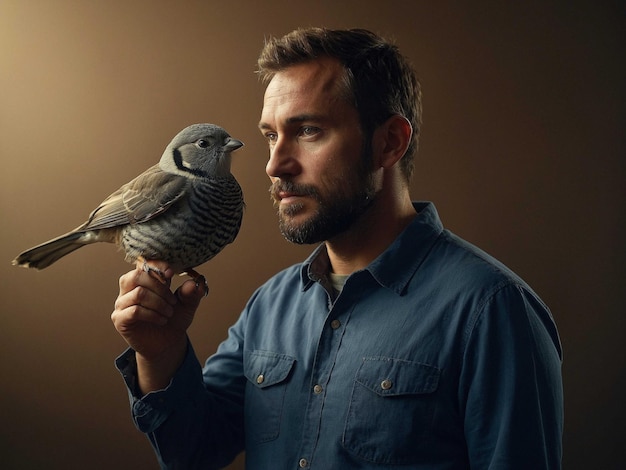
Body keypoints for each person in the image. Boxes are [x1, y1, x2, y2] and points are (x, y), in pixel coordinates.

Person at [112, 27, 563, 469]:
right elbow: (194, 452)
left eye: (308, 131)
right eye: (271, 136)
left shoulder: (493, 310)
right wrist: (160, 353)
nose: (274, 164)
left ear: (389, 142)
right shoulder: (270, 306)